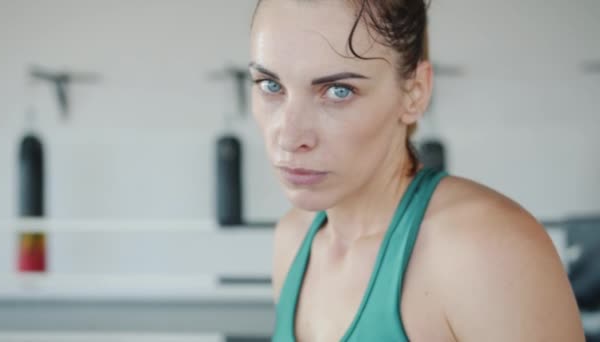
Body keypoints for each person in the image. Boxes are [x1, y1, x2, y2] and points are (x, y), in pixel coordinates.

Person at [248, 0, 585, 340]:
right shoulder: (293, 239)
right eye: (269, 85)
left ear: (414, 92)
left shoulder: (485, 250)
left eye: (339, 91)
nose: (290, 137)